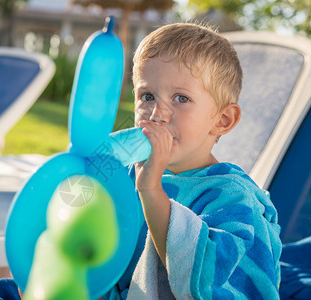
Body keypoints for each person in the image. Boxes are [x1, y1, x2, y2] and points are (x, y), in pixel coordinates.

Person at [103, 23, 282, 299]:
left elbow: (209, 277)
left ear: (222, 120)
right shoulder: (128, 171)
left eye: (181, 98)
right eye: (147, 96)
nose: (156, 114)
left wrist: (151, 191)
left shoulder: (231, 196)